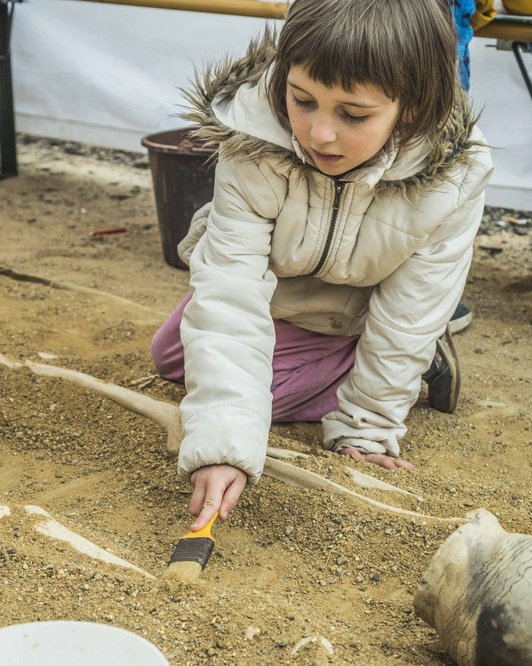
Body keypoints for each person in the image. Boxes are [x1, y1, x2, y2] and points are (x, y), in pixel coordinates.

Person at [150, 0, 494, 531]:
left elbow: (411, 312)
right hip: (288, 293)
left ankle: (412, 361)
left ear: (413, 107)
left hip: (364, 305)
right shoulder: (252, 140)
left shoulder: (456, 174)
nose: (319, 134)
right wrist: (222, 442)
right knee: (172, 356)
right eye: (302, 100)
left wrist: (365, 426)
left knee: (258, 391)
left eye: (353, 115)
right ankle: (337, 366)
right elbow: (229, 287)